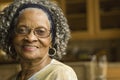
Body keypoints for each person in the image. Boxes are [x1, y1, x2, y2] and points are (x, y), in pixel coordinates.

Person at [0, 0, 78, 80]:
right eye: (22, 30)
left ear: (53, 40)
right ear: (11, 36)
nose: (30, 38)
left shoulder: (61, 74)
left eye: (41, 31)